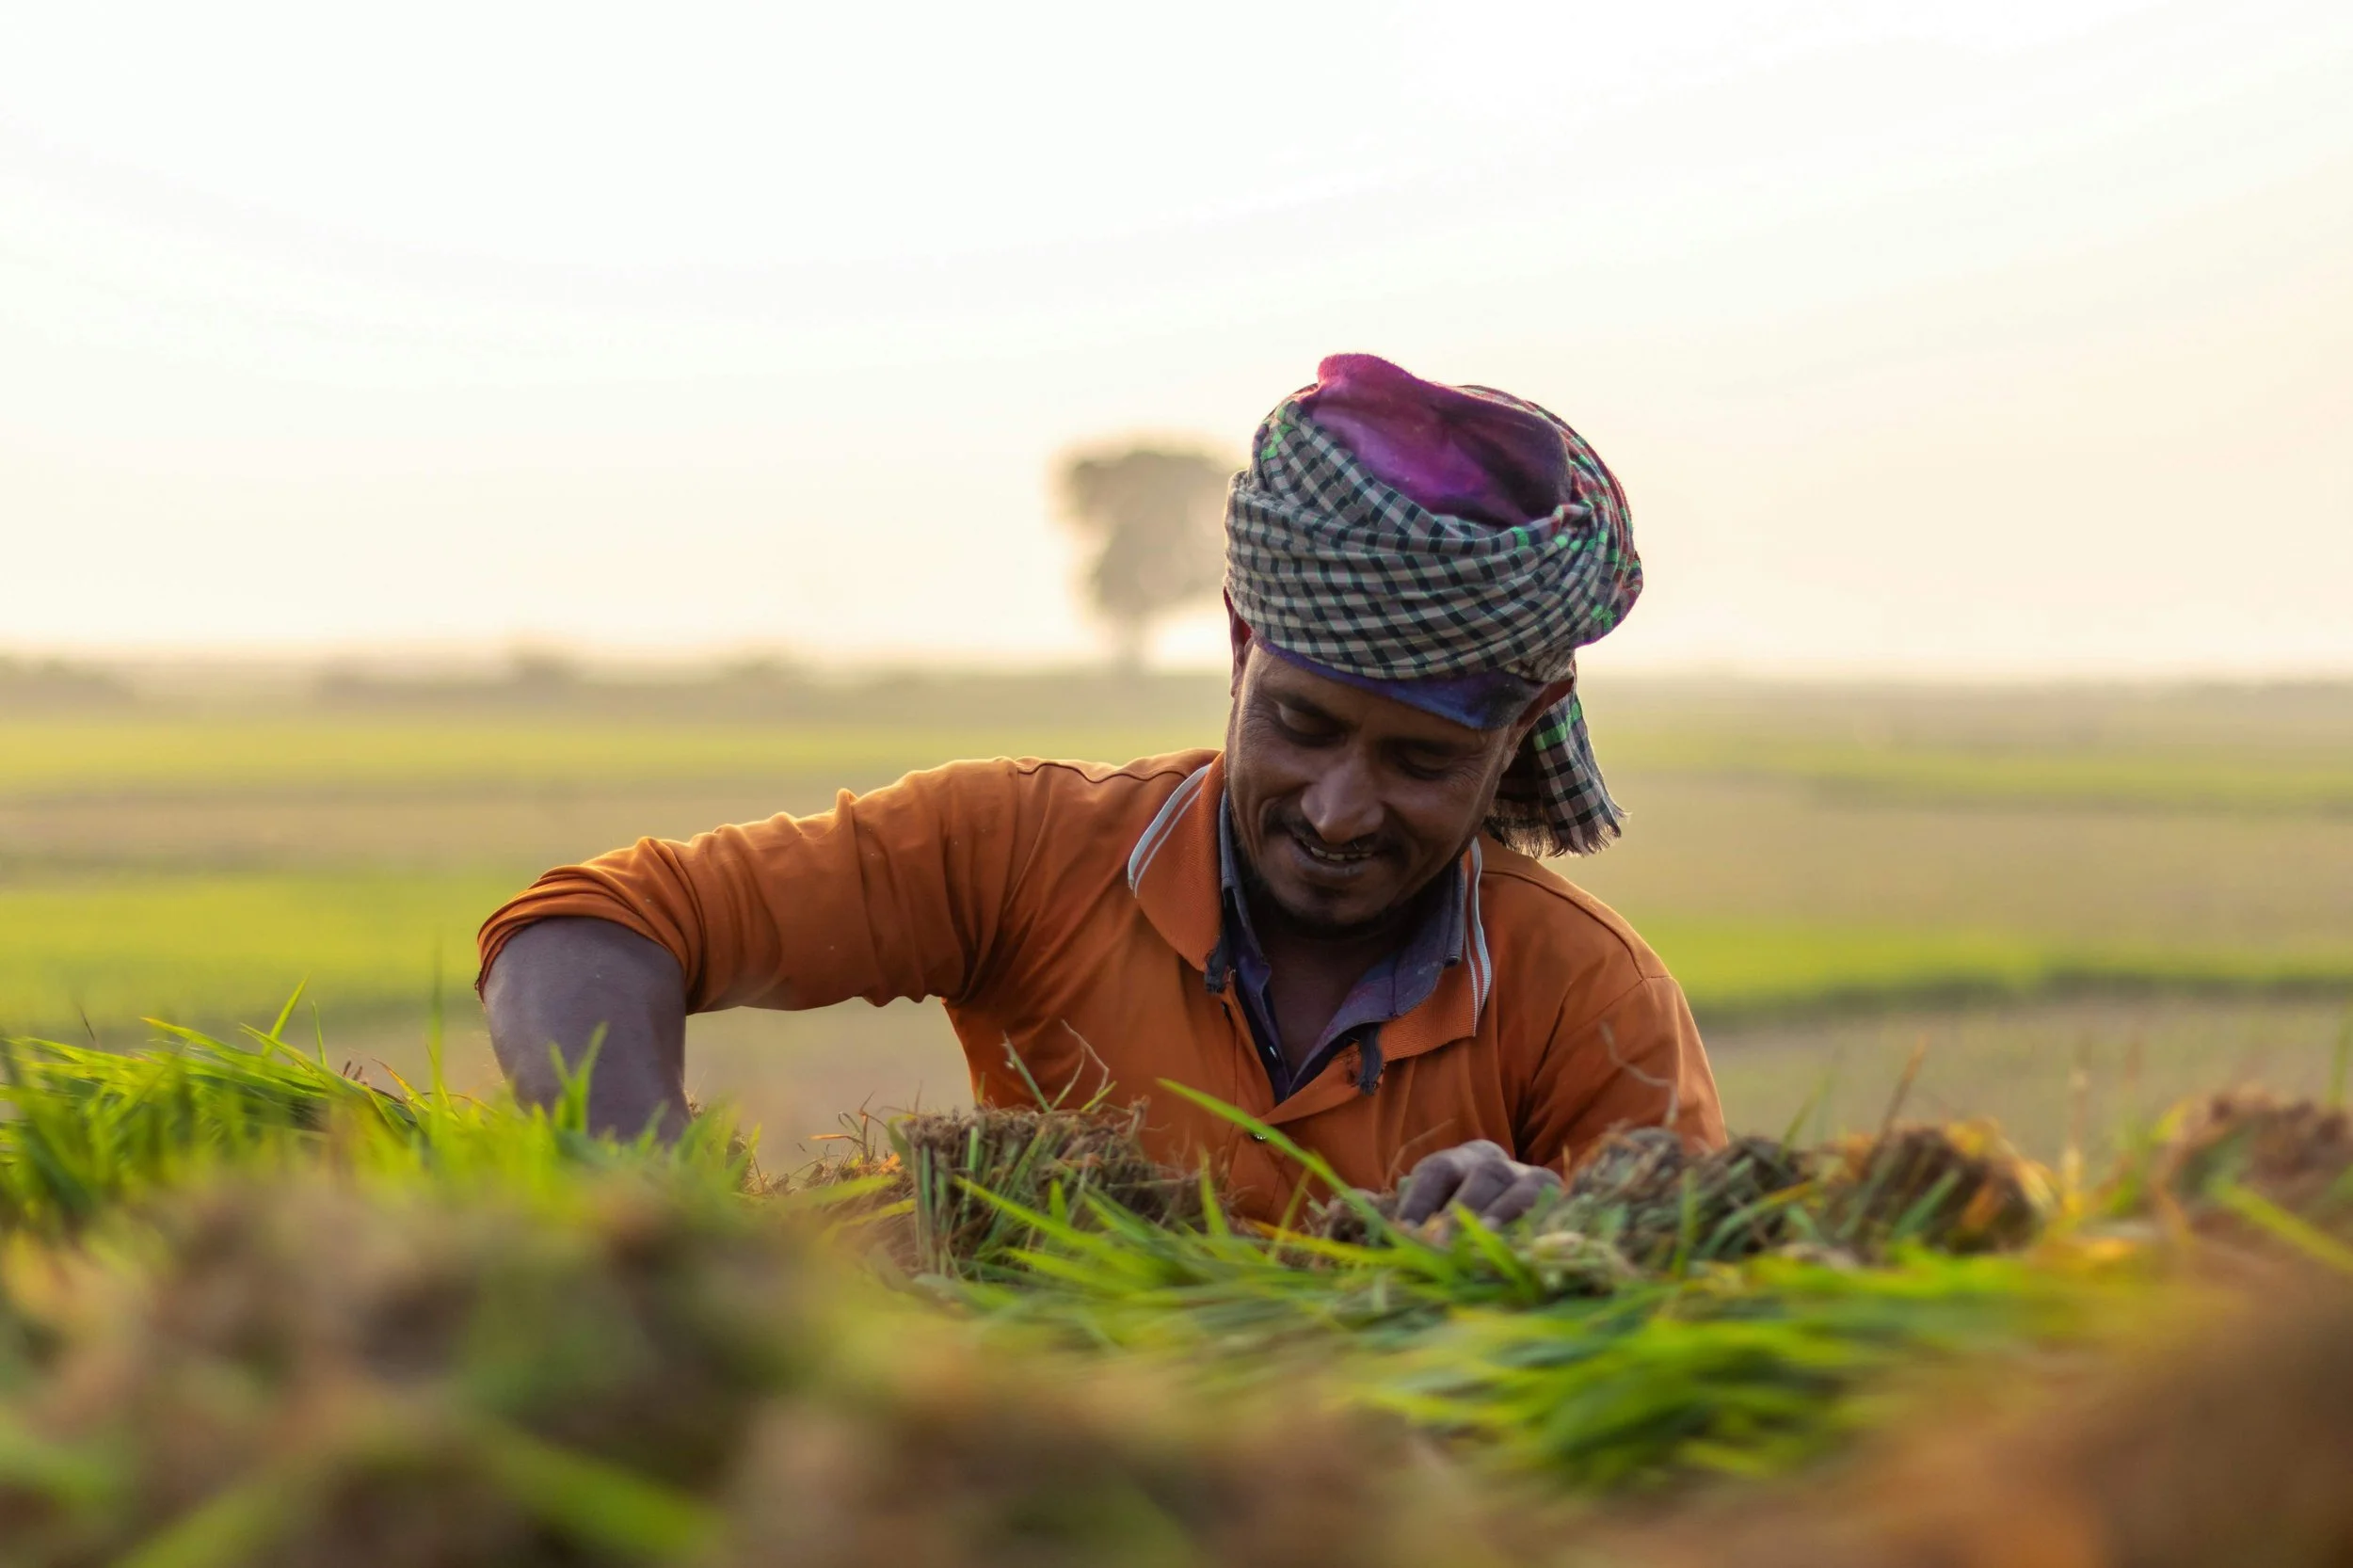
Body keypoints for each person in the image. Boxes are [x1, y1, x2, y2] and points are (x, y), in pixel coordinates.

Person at [475, 354, 1726, 1226]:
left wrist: (1569, 1226)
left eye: (1422, 762)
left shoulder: (1586, 997)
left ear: (1515, 742)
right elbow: (586, 929)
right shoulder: (1024, 851)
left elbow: (1704, 1304)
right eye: (1302, 725)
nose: (1340, 809)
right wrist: (667, 1217)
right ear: (1240, 656)